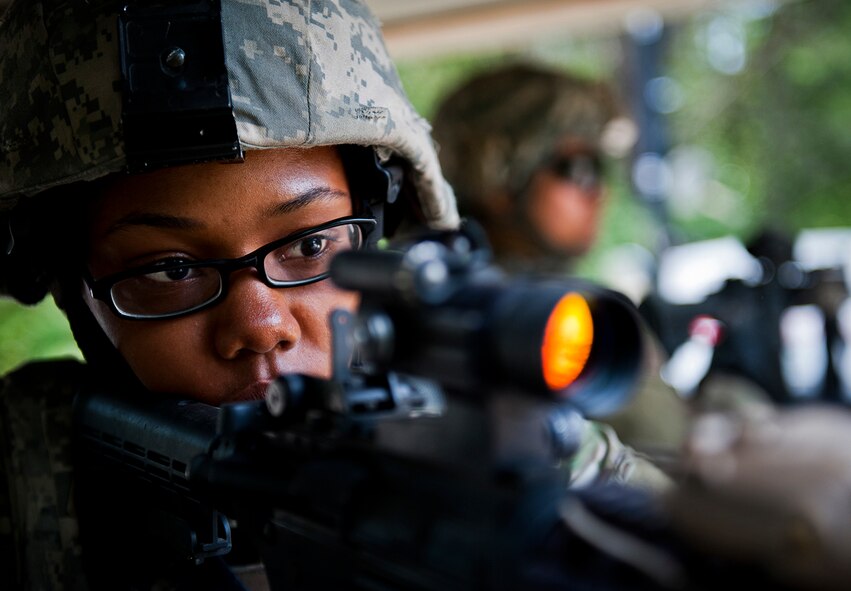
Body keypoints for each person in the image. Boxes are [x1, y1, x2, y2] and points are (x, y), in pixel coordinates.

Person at [0, 3, 667, 590]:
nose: (261, 324)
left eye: (311, 245)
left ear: (377, 235)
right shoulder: (31, 487)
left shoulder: (532, 468)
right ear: (73, 288)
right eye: (171, 269)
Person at [432, 63, 690, 458]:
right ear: (499, 172)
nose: (599, 192)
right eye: (580, 168)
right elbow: (669, 452)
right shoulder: (526, 316)